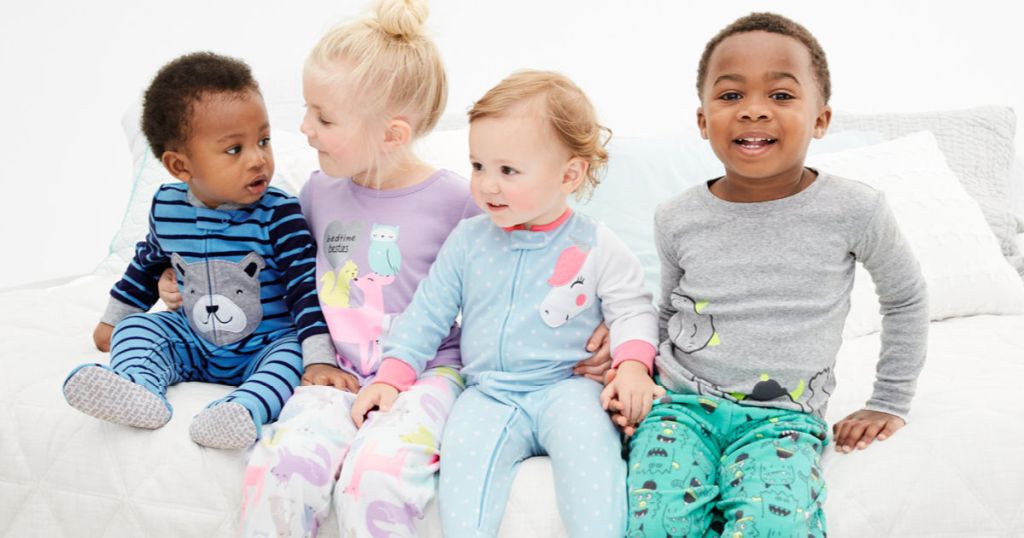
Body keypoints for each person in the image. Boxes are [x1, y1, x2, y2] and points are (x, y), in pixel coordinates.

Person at [217, 2, 613, 536]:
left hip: (430, 374)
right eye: (308, 110)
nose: (304, 127)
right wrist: (186, 282)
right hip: (335, 370)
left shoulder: (459, 202)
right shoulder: (315, 193)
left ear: (393, 133)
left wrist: (602, 324)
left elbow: (544, 262)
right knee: (281, 463)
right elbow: (275, 268)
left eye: (324, 117)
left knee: (376, 476)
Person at [616, 12, 929, 537]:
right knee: (656, 523)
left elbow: (906, 298)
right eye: (731, 96)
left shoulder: (856, 209)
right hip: (679, 409)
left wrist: (889, 401)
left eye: (781, 96)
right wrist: (629, 365)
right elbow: (671, 312)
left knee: (773, 525)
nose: (754, 110)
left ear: (821, 119)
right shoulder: (676, 216)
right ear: (702, 120)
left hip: (783, 420)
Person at [349, 69, 660, 538]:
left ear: (569, 174)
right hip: (489, 392)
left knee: (592, 463)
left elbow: (633, 308)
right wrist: (393, 376)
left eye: (508, 171)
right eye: (478, 166)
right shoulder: (469, 240)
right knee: (464, 483)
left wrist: (633, 365)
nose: (487, 185)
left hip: (567, 387)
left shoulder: (597, 243)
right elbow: (428, 312)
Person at [62, 52, 334, 450]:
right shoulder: (168, 207)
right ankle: (139, 387)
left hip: (265, 345)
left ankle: (243, 409)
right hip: (193, 339)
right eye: (233, 149)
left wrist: (320, 356)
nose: (258, 158)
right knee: (139, 329)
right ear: (179, 166)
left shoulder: (280, 212)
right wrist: (115, 318)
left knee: (291, 357)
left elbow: (304, 290)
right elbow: (146, 263)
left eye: (263, 140)